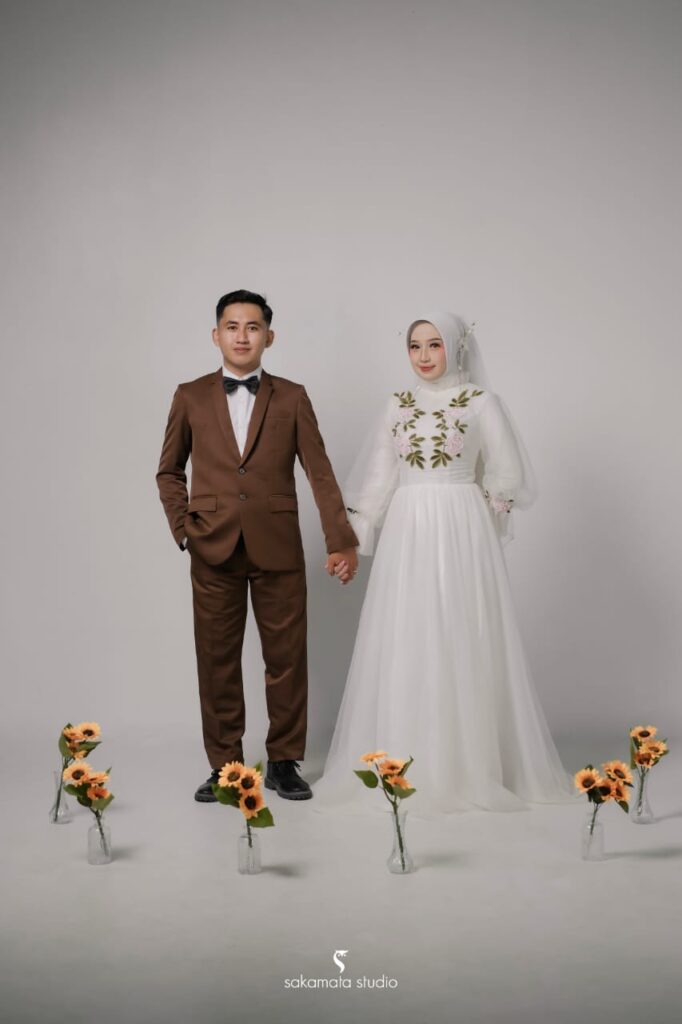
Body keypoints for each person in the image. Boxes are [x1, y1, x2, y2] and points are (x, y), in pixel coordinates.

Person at [314, 311, 577, 815]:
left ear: (455, 348)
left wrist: (488, 519)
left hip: (461, 525)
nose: (423, 356)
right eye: (414, 346)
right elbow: (377, 481)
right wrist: (354, 539)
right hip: (408, 527)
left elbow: (506, 472)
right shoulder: (397, 404)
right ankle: (411, 753)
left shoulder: (480, 402)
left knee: (462, 629)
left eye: (434, 344)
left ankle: (468, 762)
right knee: (409, 630)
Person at [156, 289, 358, 802]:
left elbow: (320, 473)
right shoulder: (189, 395)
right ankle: (225, 765)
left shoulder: (292, 397)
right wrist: (184, 528)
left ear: (269, 336)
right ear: (216, 335)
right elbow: (169, 471)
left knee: (286, 659)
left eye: (252, 327)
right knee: (216, 660)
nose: (242, 336)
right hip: (211, 546)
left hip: (278, 546)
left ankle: (284, 762)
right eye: (232, 326)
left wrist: (340, 541)